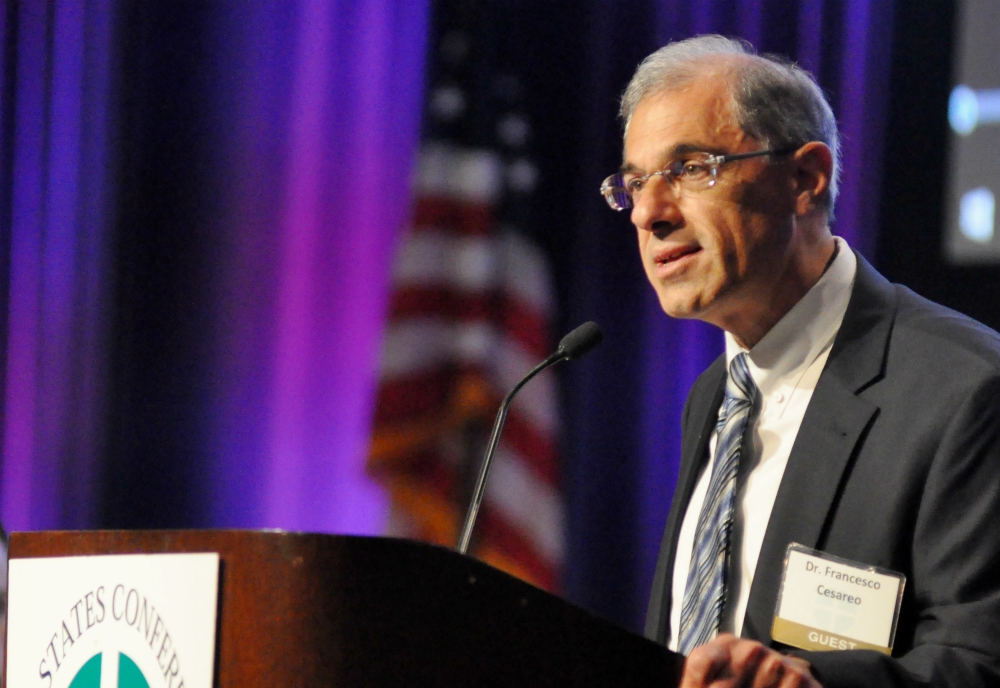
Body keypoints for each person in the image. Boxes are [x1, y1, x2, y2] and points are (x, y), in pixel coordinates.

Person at [600, 35, 1000, 687]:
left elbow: (982, 659)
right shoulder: (716, 396)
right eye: (636, 183)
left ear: (804, 180)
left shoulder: (967, 391)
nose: (649, 213)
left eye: (690, 168)